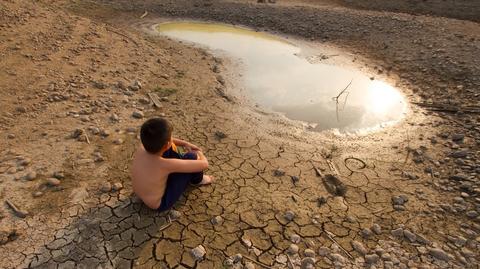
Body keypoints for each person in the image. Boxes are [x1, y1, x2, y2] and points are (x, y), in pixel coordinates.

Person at [131, 117, 214, 211]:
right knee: (191, 156)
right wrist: (199, 153)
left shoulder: (142, 148)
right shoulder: (165, 164)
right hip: (160, 203)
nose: (172, 139)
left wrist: (185, 143)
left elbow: (166, 142)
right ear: (166, 144)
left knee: (167, 149)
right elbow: (204, 164)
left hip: (140, 193)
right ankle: (198, 180)